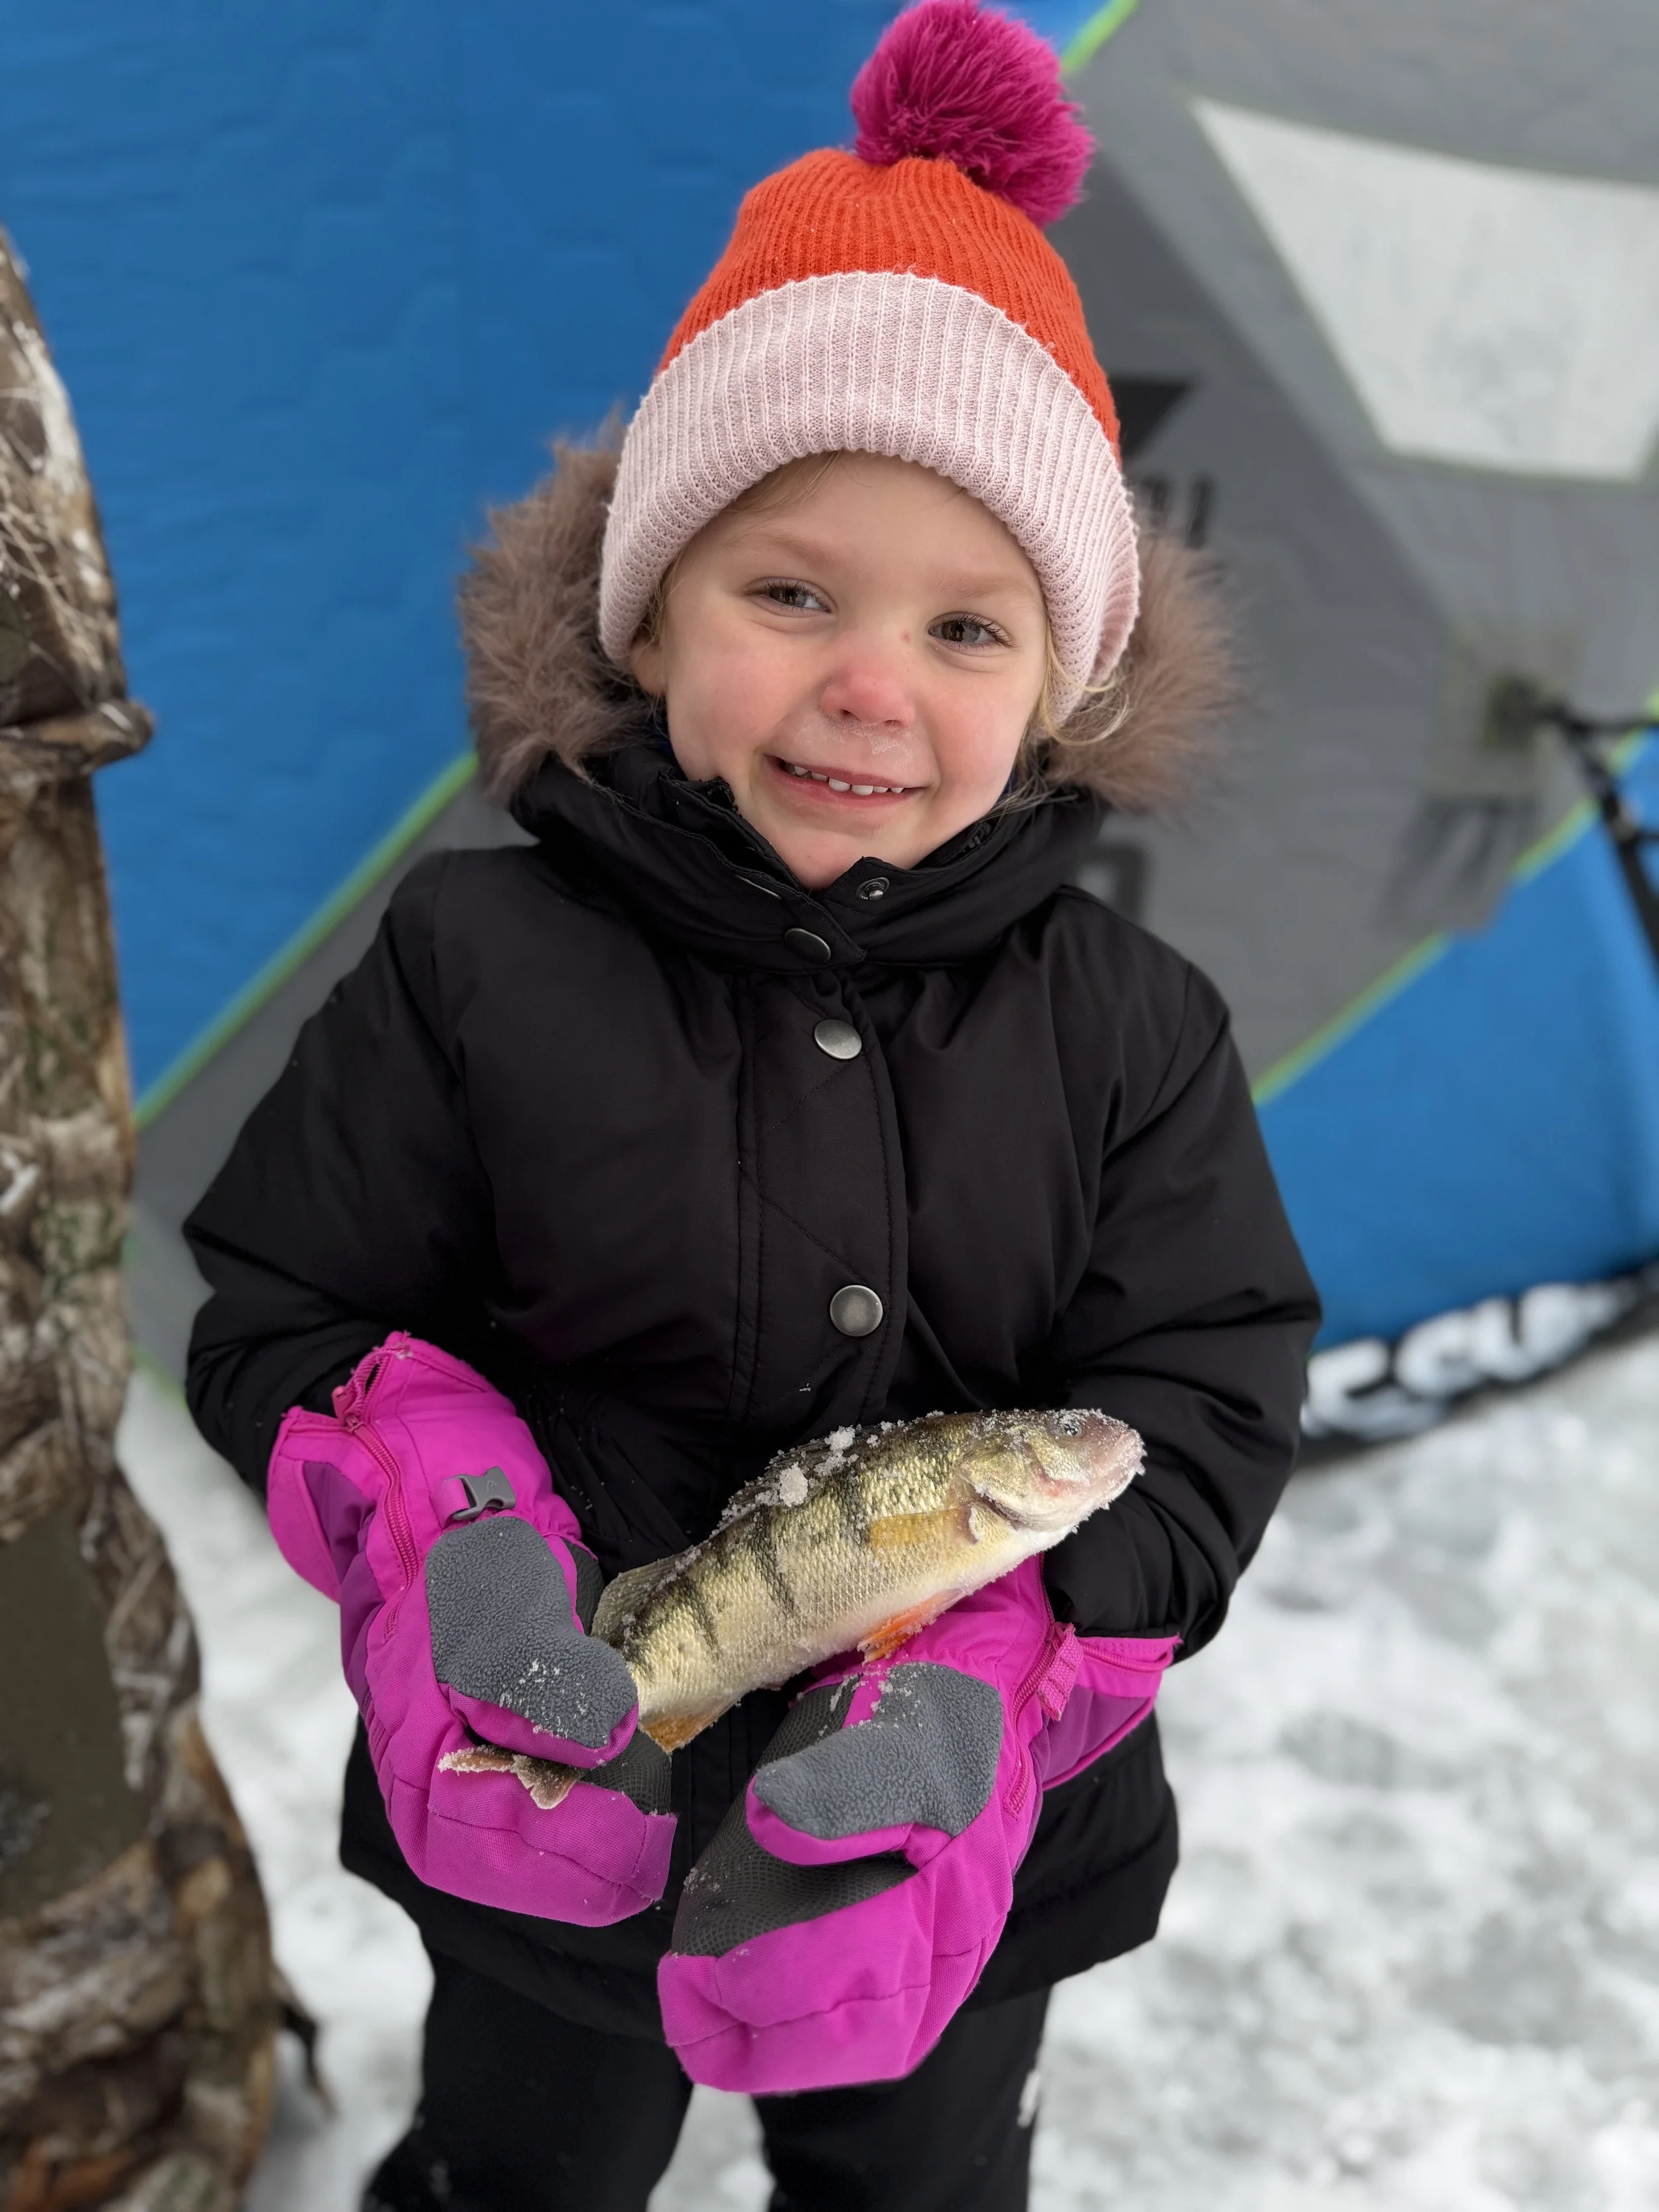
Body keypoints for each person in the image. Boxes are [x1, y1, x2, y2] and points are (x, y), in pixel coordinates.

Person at [182, 3, 1319, 2205]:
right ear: (651, 612)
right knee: (521, 2166)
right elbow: (284, 1317)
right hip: (544, 1782)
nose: (870, 682)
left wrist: (998, 1662)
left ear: (1063, 678)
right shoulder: (468, 962)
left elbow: (1202, 1393)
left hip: (956, 1831)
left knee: (915, 2176)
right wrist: (454, 1527)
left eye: (969, 627)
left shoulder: (1135, 1022)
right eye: (790, 590)